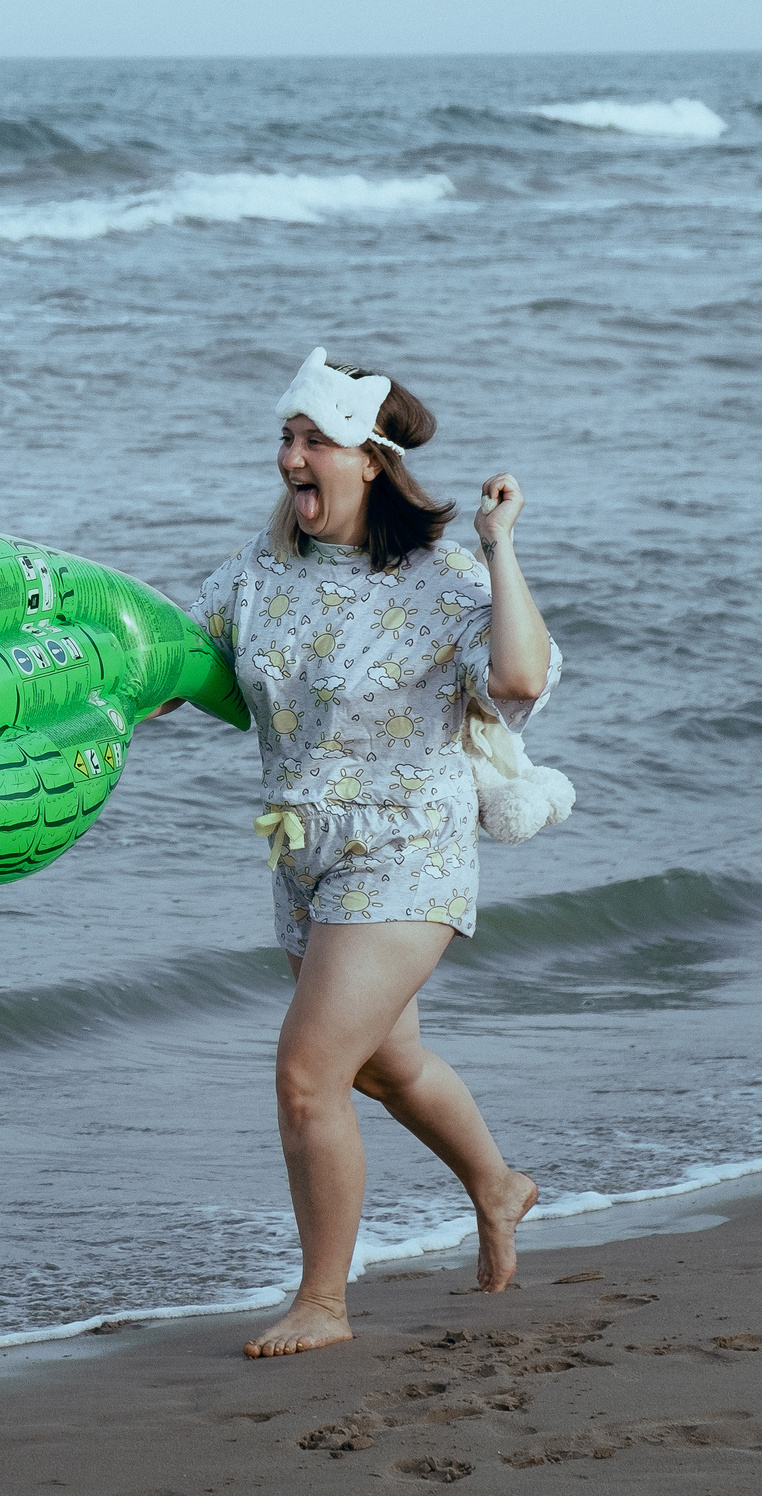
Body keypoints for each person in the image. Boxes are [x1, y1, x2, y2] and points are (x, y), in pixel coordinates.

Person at [176, 347, 562, 1359]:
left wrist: (501, 544)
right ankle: (497, 1184)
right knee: (386, 1068)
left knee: (308, 1074)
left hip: (407, 853)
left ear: (371, 461)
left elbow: (519, 678)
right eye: (285, 438)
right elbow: (167, 666)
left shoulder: (443, 576)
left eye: (312, 441)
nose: (288, 457)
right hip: (302, 859)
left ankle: (323, 1303)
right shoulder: (258, 576)